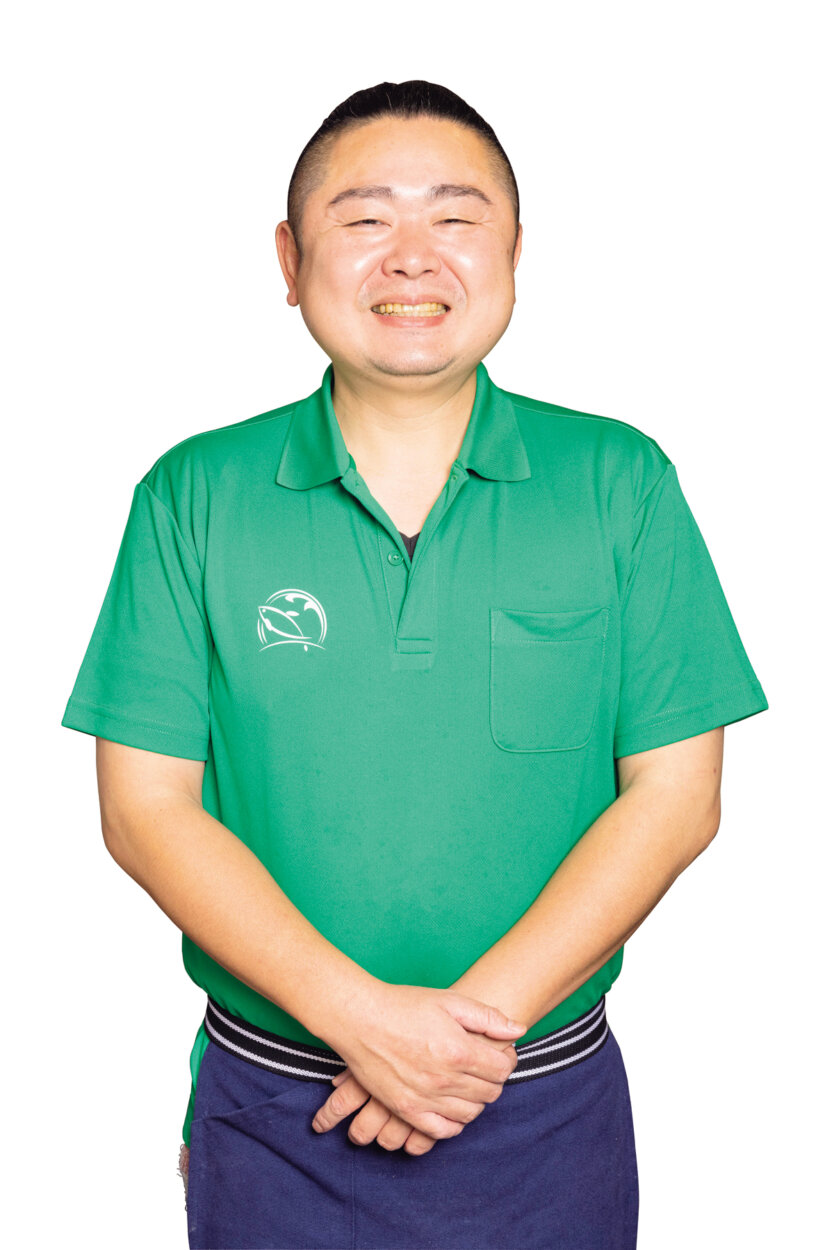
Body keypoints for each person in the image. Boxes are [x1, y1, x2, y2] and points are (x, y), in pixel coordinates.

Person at [61, 79, 768, 1250]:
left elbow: (677, 792)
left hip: (540, 1107)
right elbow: (145, 810)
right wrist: (359, 1019)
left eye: (454, 217)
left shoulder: (620, 482)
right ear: (289, 260)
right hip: (279, 1109)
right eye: (363, 218)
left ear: (515, 252)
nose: (411, 255)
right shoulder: (193, 493)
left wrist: (455, 1043)